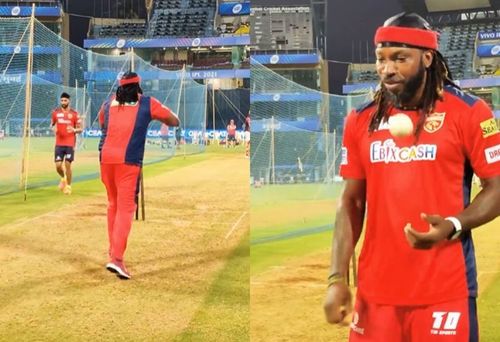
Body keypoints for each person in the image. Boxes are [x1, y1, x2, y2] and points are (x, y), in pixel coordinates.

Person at [323, 13, 500, 342]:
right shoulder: (361, 120)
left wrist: (453, 224)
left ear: (427, 58)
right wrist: (336, 279)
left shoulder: (469, 113)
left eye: (400, 58)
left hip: (445, 291)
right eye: (381, 59)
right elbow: (351, 200)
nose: (387, 69)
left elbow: (497, 187)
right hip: (376, 298)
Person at [98, 72, 179, 279]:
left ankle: (112, 252)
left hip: (106, 159)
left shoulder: (108, 104)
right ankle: (116, 259)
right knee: (126, 209)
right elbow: (173, 121)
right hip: (129, 161)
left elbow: (101, 124)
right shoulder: (146, 103)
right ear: (138, 86)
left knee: (113, 205)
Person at [50, 92, 82, 195]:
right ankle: (63, 178)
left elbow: (80, 129)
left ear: (69, 101)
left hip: (69, 143)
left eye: (65, 100)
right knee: (58, 166)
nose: (63, 102)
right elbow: (52, 124)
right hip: (59, 143)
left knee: (68, 164)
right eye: (62, 100)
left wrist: (74, 129)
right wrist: (52, 129)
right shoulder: (56, 113)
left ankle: (68, 186)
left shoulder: (74, 114)